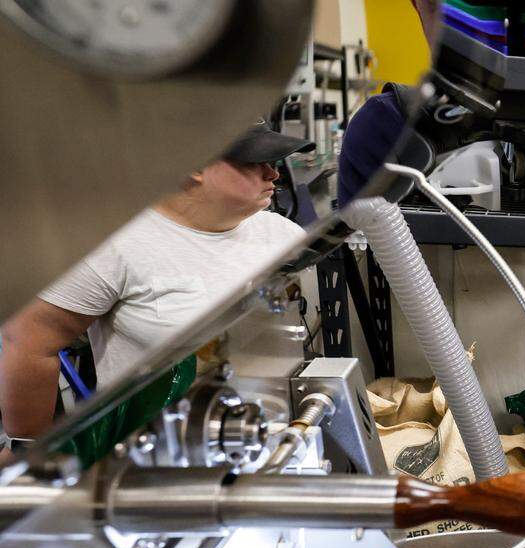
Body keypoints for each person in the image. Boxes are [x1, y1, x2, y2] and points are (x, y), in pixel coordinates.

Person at [0, 123, 313, 451]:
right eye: (254, 162)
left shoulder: (283, 236)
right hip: (153, 455)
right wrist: (30, 452)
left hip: (267, 428)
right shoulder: (115, 245)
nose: (273, 174)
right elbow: (30, 343)